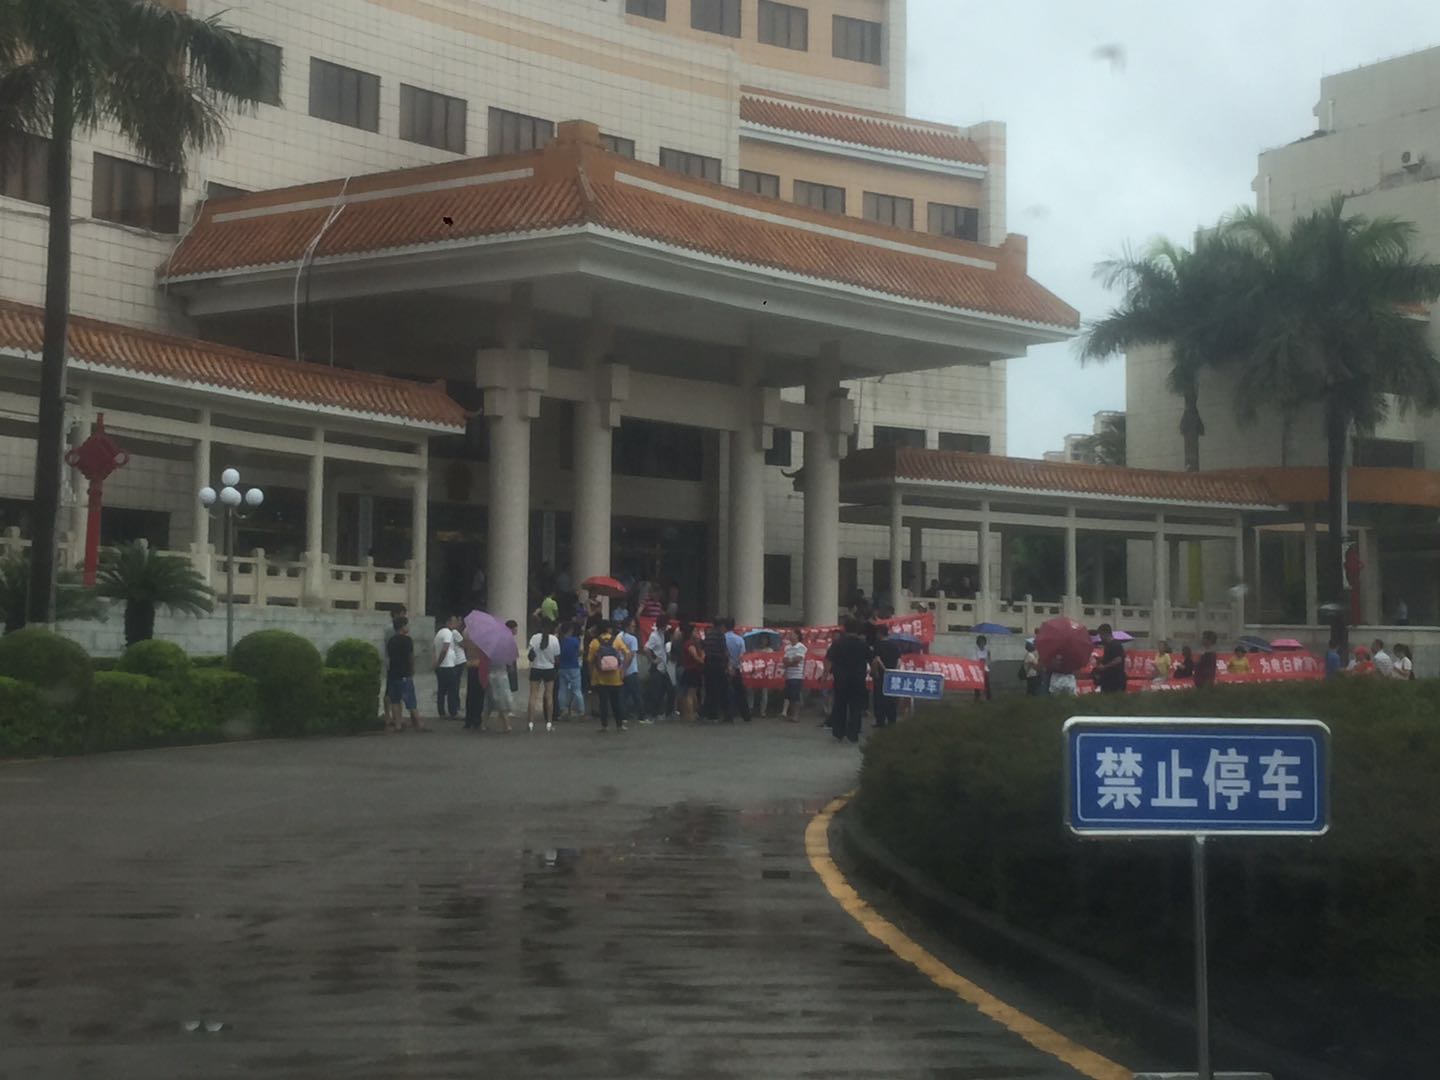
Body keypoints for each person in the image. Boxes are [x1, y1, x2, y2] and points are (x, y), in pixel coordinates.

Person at [825, 618, 871, 745]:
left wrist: (825, 675)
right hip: (858, 680)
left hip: (841, 679)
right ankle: (853, 734)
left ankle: (838, 732)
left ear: (845, 629)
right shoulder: (863, 644)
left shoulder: (838, 643)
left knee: (840, 705)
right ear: (858, 630)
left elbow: (829, 660)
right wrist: (874, 673)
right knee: (856, 707)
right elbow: (872, 660)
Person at [384, 616, 426, 732]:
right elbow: (410, 656)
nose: (408, 627)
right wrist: (412, 669)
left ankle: (398, 724)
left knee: (395, 700)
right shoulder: (407, 640)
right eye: (407, 625)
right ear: (402, 626)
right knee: (410, 700)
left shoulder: (391, 641)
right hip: (404, 673)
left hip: (393, 673)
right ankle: (418, 723)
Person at [588, 622, 630, 731]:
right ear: (608, 629)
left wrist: (591, 675)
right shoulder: (617, 640)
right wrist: (623, 669)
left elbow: (590, 661)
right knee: (616, 702)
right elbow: (627, 653)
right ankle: (619, 725)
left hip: (600, 678)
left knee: (603, 703)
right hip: (616, 678)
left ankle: (604, 725)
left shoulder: (595, 642)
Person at [526, 619, 561, 732]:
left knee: (533, 696)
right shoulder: (554, 639)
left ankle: (530, 723)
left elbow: (530, 655)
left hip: (536, 668)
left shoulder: (534, 638)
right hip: (549, 669)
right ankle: (549, 723)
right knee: (549, 696)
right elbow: (557, 658)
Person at [432, 613, 465, 721]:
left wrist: (436, 662)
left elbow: (434, 648)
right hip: (448, 665)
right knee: (452, 690)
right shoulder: (448, 633)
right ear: (448, 622)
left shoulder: (439, 632)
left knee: (441, 690)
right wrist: (439, 662)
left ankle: (441, 711)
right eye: (453, 622)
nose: (455, 624)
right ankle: (453, 712)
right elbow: (445, 649)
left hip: (443, 666)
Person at [870, 622, 902, 728]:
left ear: (879, 633)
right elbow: (899, 660)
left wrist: (878, 671)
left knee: (879, 699)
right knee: (891, 698)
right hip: (892, 676)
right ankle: (892, 720)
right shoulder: (894, 645)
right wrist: (894, 671)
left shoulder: (878, 645)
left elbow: (876, 660)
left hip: (881, 675)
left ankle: (880, 721)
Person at [644, 615, 674, 721]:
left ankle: (662, 712)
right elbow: (646, 649)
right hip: (657, 666)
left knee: (667, 689)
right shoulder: (654, 636)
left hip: (663, 666)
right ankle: (651, 714)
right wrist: (652, 660)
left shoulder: (662, 634)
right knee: (655, 691)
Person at [702, 620, 733, 723]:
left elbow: (704, 648)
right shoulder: (720, 635)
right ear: (721, 626)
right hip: (718, 664)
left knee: (710, 690)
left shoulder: (708, 635)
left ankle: (712, 715)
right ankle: (727, 714)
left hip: (708, 664)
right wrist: (727, 665)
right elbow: (724, 650)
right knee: (723, 690)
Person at [555, 621, 584, 720]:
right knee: (577, 690)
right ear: (570, 630)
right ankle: (581, 710)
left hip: (562, 667)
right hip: (574, 667)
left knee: (562, 690)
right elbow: (580, 652)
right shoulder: (575, 640)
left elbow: (557, 656)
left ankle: (563, 710)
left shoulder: (560, 641)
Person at [723, 618, 751, 723]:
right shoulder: (739, 639)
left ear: (724, 627)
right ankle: (746, 715)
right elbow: (742, 655)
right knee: (740, 692)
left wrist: (729, 665)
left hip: (725, 668)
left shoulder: (722, 638)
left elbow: (723, 653)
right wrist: (735, 665)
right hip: (736, 668)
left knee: (727, 692)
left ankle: (728, 715)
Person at [620, 617, 646, 723]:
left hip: (622, 668)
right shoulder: (632, 639)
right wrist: (625, 668)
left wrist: (622, 669)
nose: (634, 628)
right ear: (627, 627)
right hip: (631, 670)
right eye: (632, 626)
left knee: (623, 694)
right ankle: (641, 716)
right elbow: (631, 655)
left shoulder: (619, 637)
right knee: (637, 694)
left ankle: (622, 716)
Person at [677, 623, 704, 721]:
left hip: (692, 670)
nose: (697, 633)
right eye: (695, 631)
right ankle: (691, 714)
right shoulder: (690, 644)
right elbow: (695, 657)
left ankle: (693, 713)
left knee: (693, 693)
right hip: (692, 669)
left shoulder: (692, 643)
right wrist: (703, 661)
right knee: (690, 693)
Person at [780, 628, 807, 722]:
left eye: (792, 634)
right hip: (789, 675)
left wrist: (789, 662)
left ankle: (796, 715)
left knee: (795, 696)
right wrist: (790, 661)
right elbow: (784, 659)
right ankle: (791, 714)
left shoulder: (801, 646)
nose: (790, 636)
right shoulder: (787, 647)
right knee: (789, 696)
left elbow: (798, 660)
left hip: (797, 675)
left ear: (797, 636)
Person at [1093, 624, 1127, 694]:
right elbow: (1110, 658)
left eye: (1101, 635)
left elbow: (1118, 660)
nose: (1100, 638)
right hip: (1107, 680)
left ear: (1105, 633)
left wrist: (1104, 667)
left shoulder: (1115, 644)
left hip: (1115, 680)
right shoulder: (1107, 646)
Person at [973, 634, 992, 702]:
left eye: (983, 642)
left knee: (986, 683)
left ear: (985, 643)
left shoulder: (987, 652)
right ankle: (977, 697)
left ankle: (988, 697)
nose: (981, 643)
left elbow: (989, 661)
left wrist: (986, 662)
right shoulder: (975, 651)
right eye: (980, 642)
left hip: (985, 669)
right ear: (977, 643)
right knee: (977, 684)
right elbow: (974, 660)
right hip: (977, 670)